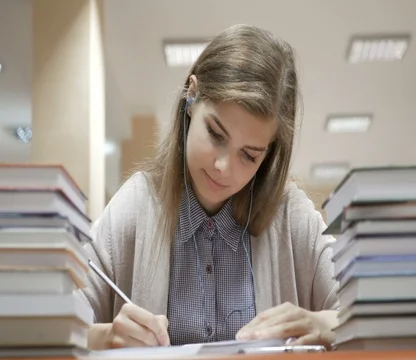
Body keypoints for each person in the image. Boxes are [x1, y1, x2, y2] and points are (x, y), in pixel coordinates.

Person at [81, 24, 338, 350]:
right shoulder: (136, 205)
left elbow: (366, 317)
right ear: (191, 97)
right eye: (216, 135)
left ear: (269, 154)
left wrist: (325, 323)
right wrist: (104, 336)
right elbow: (54, 329)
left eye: (249, 155)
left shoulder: (291, 216)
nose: (223, 167)